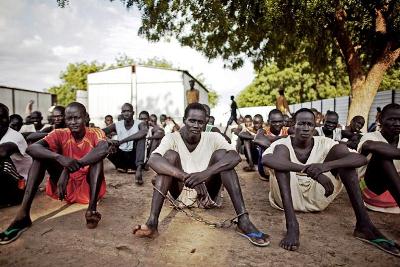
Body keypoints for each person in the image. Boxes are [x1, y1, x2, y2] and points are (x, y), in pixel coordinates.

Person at [262, 108, 399, 256]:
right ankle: (292, 226)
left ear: (315, 127)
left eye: (310, 124)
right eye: (301, 123)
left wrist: (324, 167)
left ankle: (364, 225)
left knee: (343, 155)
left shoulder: (325, 142)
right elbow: (267, 160)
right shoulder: (282, 143)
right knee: (281, 161)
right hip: (287, 197)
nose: (306, 128)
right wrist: (308, 170)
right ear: (292, 126)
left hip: (319, 197)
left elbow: (360, 159)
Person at [133, 103, 270, 247]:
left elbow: (235, 157)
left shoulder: (213, 137)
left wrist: (204, 175)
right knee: (169, 158)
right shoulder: (171, 138)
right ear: (184, 120)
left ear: (206, 123)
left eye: (200, 122)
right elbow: (153, 160)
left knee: (223, 156)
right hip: (179, 193)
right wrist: (187, 177)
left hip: (208, 194)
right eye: (192, 121)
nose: (196, 125)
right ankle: (152, 223)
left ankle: (243, 220)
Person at [0, 102, 109, 245]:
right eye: (69, 119)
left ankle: (92, 210)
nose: (73, 122)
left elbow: (102, 149)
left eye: (77, 118)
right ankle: (23, 216)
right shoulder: (59, 133)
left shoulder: (95, 132)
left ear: (86, 117)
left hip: (88, 190)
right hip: (64, 189)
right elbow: (32, 149)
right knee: (40, 157)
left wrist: (68, 169)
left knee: (97, 159)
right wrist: (60, 158)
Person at [357, 103, 400, 214]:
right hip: (374, 192)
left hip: (395, 196)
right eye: (392, 119)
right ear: (380, 119)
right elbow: (370, 146)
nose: (397, 124)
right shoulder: (370, 136)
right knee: (381, 153)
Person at [104, 103, 148, 184]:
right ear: (121, 113)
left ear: (133, 113)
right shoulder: (118, 124)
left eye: (128, 111)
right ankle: (121, 167)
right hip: (121, 157)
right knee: (104, 142)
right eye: (124, 111)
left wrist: (122, 141)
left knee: (141, 138)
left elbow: (143, 132)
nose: (126, 113)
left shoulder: (140, 123)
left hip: (134, 159)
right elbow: (100, 132)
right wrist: (108, 140)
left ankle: (138, 169)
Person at [0, 104, 32, 207]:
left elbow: (2, 152)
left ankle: (9, 199)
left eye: (2, 118)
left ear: (8, 119)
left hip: (21, 188)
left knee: (3, 163)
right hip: (7, 183)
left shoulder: (14, 136)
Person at [254, 109, 288, 180]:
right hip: (266, 168)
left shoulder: (287, 130)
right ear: (269, 122)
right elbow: (257, 140)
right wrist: (282, 138)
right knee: (262, 143)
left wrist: (273, 138)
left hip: (283, 162)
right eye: (274, 122)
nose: (278, 124)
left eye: (280, 121)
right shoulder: (263, 131)